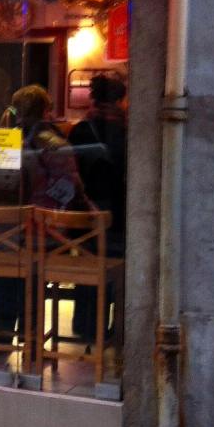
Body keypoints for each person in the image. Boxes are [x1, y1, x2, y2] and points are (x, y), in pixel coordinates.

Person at [0, 84, 89, 345]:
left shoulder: (0, 142)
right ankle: (30, 334)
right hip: (38, 238)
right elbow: (70, 190)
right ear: (47, 110)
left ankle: (1, 331)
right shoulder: (55, 145)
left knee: (7, 260)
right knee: (33, 257)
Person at [68, 74, 127, 341]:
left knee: (86, 266)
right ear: (120, 98)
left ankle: (86, 325)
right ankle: (119, 326)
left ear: (92, 96)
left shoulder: (82, 129)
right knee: (117, 269)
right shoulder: (128, 129)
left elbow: (71, 175)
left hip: (85, 214)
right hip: (119, 213)